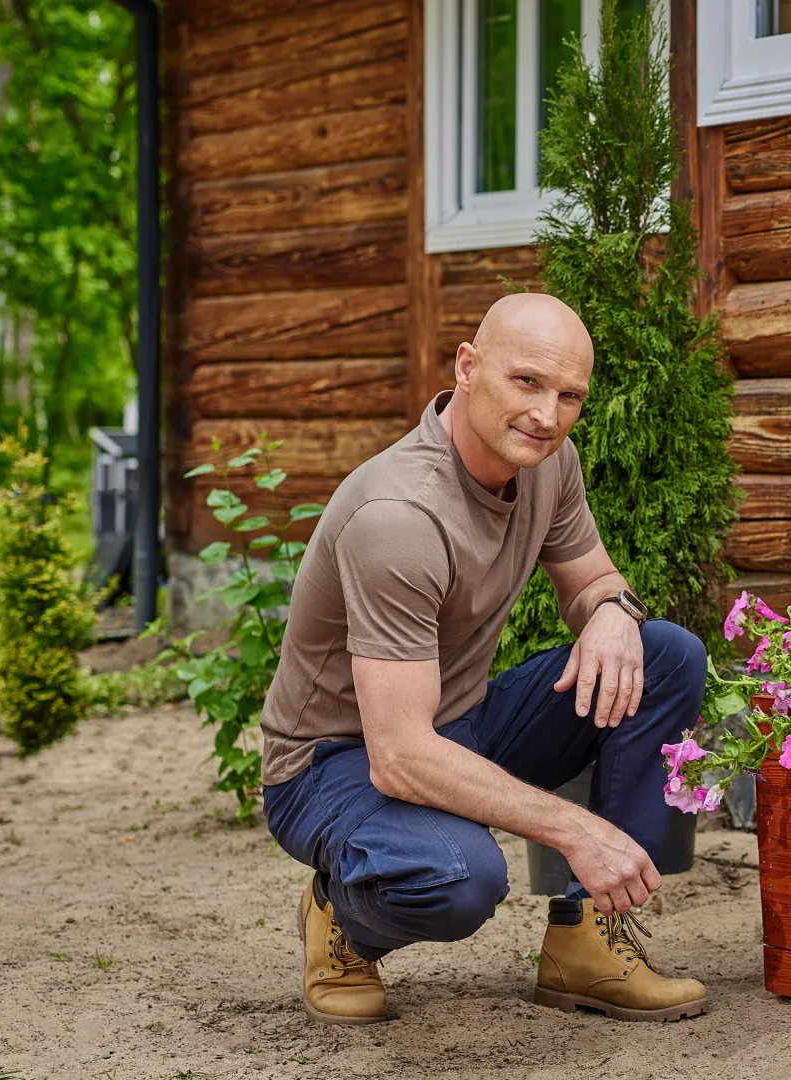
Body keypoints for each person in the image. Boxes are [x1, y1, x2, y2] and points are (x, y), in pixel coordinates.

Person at [257, 292, 709, 1025]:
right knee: (460, 877)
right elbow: (398, 757)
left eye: (569, 397)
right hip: (332, 764)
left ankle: (589, 945)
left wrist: (614, 614)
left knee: (666, 655)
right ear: (468, 368)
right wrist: (575, 829)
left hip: (456, 720)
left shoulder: (547, 462)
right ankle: (341, 918)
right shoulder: (397, 520)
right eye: (526, 382)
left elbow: (593, 579)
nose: (547, 414)